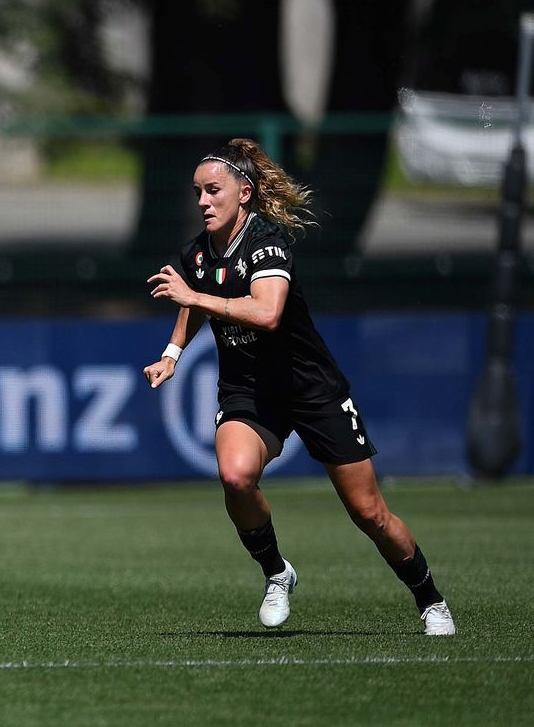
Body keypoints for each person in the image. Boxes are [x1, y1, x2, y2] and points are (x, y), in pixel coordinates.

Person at [143, 138, 456, 636]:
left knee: (369, 513)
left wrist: (195, 296)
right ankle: (276, 573)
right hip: (249, 390)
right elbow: (195, 299)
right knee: (235, 477)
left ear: (244, 193)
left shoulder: (267, 242)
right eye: (197, 192)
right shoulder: (198, 254)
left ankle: (430, 599)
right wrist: (172, 354)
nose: (202, 201)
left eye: (213, 191)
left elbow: (267, 312)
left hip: (312, 388)